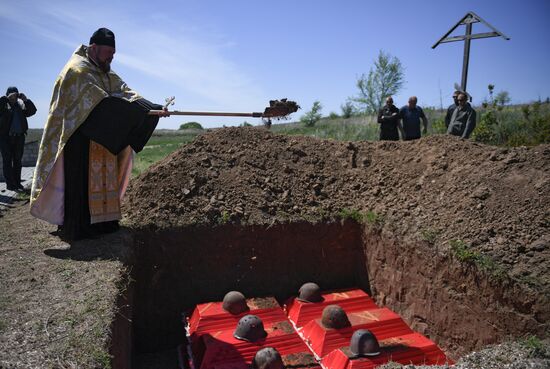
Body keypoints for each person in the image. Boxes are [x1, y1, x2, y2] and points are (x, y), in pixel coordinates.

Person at [30, 28, 169, 240]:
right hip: (77, 137)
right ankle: (80, 227)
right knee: (80, 182)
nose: (111, 58)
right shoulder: (77, 70)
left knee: (103, 181)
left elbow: (125, 92)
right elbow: (100, 101)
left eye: (113, 55)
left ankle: (104, 224)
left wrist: (153, 108)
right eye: (108, 54)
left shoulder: (104, 71)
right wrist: (138, 112)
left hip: (102, 137)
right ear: (94, 48)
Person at [0, 87, 37, 191]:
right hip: (5, 138)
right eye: (11, 95)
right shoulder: (3, 106)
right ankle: (10, 185)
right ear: (7, 95)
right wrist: (5, 98)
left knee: (17, 161)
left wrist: (26, 100)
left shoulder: (20, 106)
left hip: (19, 138)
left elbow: (32, 111)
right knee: (7, 161)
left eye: (15, 95)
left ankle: (17, 183)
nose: (14, 97)